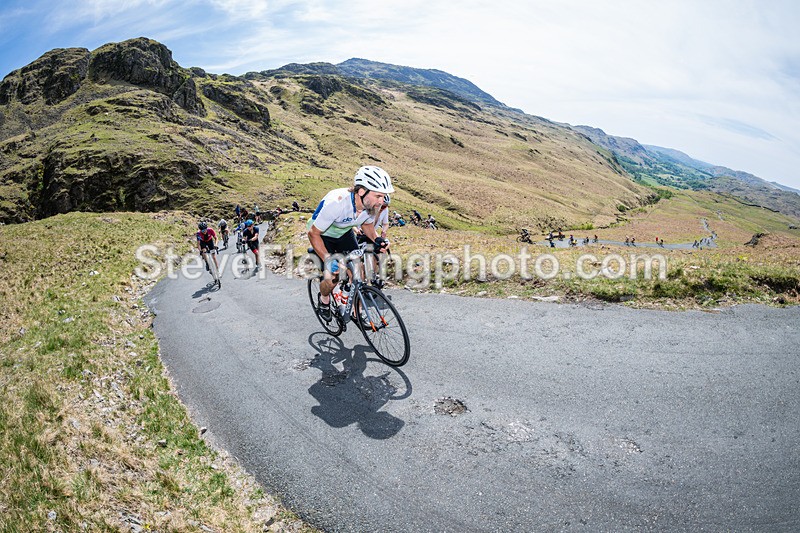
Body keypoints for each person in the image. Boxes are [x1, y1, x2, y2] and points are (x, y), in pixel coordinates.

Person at [308, 166, 393, 321]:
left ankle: (357, 312)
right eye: (378, 196)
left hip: (343, 233)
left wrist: (377, 240)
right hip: (323, 235)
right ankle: (324, 300)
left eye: (383, 196)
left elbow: (367, 225)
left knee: (358, 273)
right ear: (361, 191)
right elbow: (313, 233)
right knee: (333, 276)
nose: (381, 201)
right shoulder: (337, 202)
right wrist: (328, 259)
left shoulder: (371, 205)